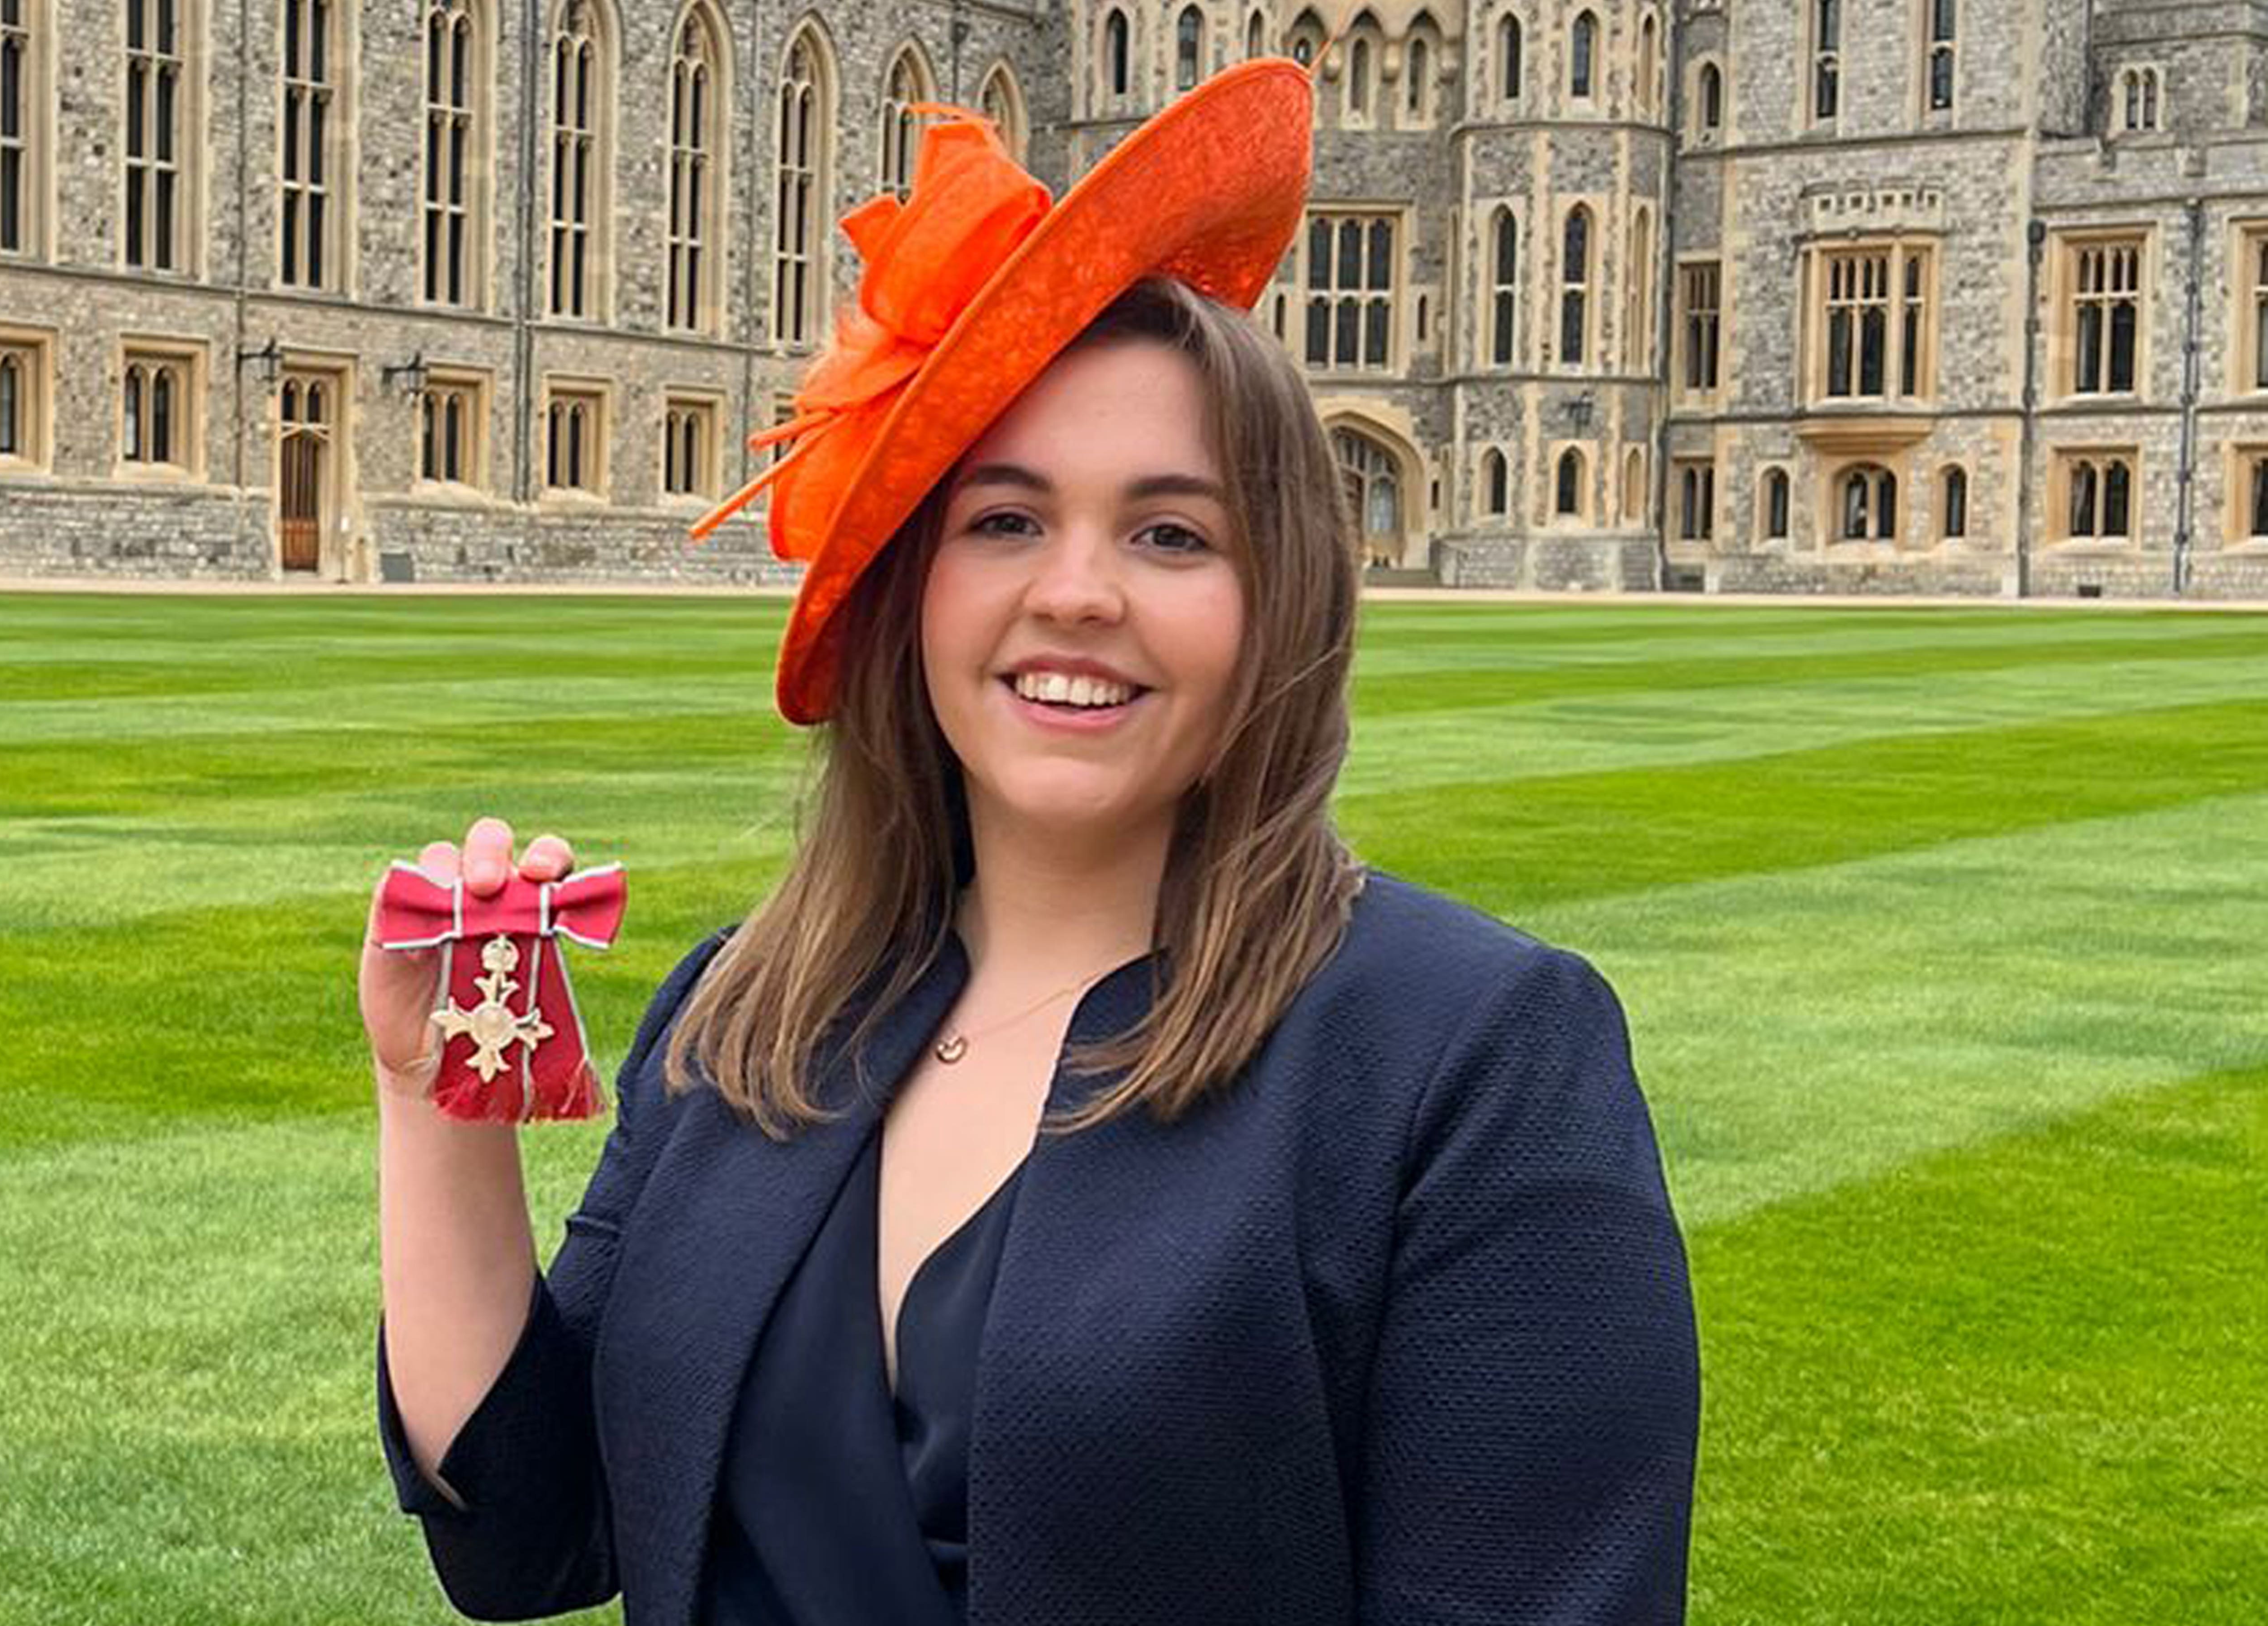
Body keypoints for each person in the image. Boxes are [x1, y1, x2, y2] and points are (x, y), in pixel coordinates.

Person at [362, 55, 1698, 1626]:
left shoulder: (1467, 1059)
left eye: (1169, 533)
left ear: (1279, 602)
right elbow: (526, 1535)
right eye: (1003, 521)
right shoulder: (749, 1013)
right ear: (915, 592)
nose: (1074, 591)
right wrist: (430, 1097)